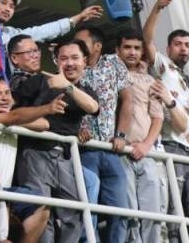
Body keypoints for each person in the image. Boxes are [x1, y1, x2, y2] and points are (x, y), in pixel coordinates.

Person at [13, 39, 99, 243]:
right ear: (56, 61)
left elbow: (93, 107)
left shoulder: (84, 90)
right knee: (41, 211)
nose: (69, 63)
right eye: (64, 58)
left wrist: (67, 87)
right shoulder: (39, 81)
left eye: (75, 58)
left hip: (66, 158)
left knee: (74, 212)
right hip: (35, 152)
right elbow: (12, 107)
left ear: (85, 61)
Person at [142, 0, 189, 243]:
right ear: (168, 48)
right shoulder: (162, 65)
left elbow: (182, 118)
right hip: (171, 147)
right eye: (178, 44)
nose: (184, 48)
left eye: (187, 45)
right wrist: (157, 8)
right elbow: (147, 39)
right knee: (175, 213)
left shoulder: (184, 78)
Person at [0, 75, 60, 242]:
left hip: (6, 190)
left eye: (7, 93)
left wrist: (12, 118)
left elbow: (43, 125)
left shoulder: (11, 117)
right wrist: (47, 108)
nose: (4, 98)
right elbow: (14, 117)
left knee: (42, 205)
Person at [73, 27, 130, 243]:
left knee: (120, 209)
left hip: (111, 148)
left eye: (81, 42)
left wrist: (121, 134)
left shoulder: (113, 63)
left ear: (97, 46)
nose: (76, 46)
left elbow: (128, 100)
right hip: (84, 149)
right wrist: (76, 130)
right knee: (88, 208)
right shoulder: (72, 66)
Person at [115, 28, 166, 243]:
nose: (132, 52)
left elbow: (158, 118)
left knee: (152, 212)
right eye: (127, 47)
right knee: (129, 213)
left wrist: (146, 145)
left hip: (145, 152)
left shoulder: (150, 81)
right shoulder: (109, 74)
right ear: (117, 50)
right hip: (119, 151)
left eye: (137, 48)